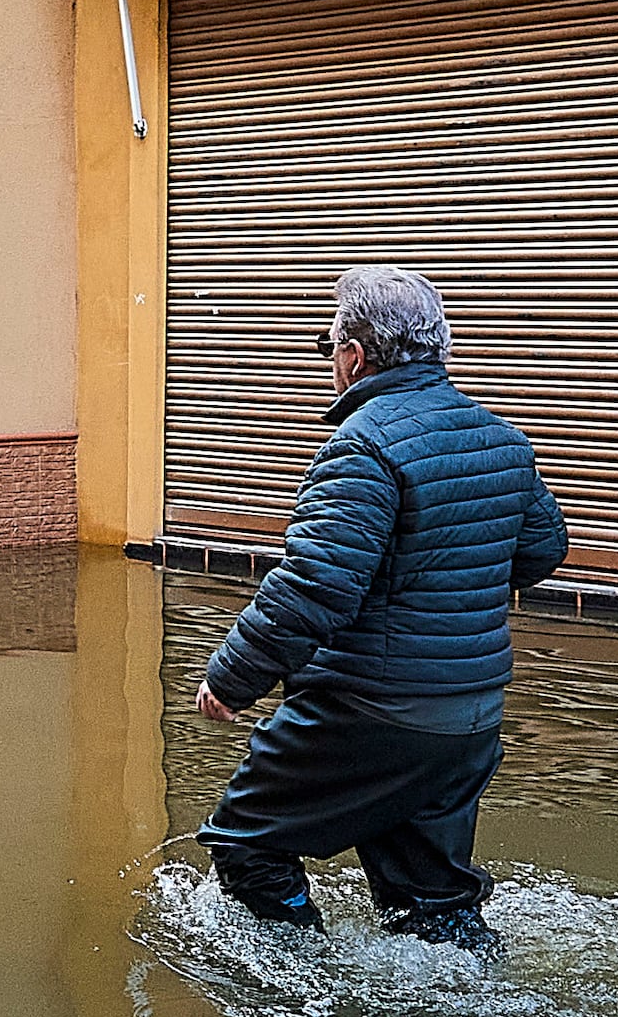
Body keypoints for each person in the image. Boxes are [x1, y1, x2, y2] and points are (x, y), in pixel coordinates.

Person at [193, 264, 566, 947]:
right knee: (433, 908)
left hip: (370, 711)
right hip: (469, 718)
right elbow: (543, 549)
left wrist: (230, 677)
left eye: (328, 346)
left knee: (244, 841)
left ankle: (308, 986)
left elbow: (314, 584)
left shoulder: (362, 445)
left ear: (355, 356)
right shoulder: (501, 439)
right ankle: (463, 1016)